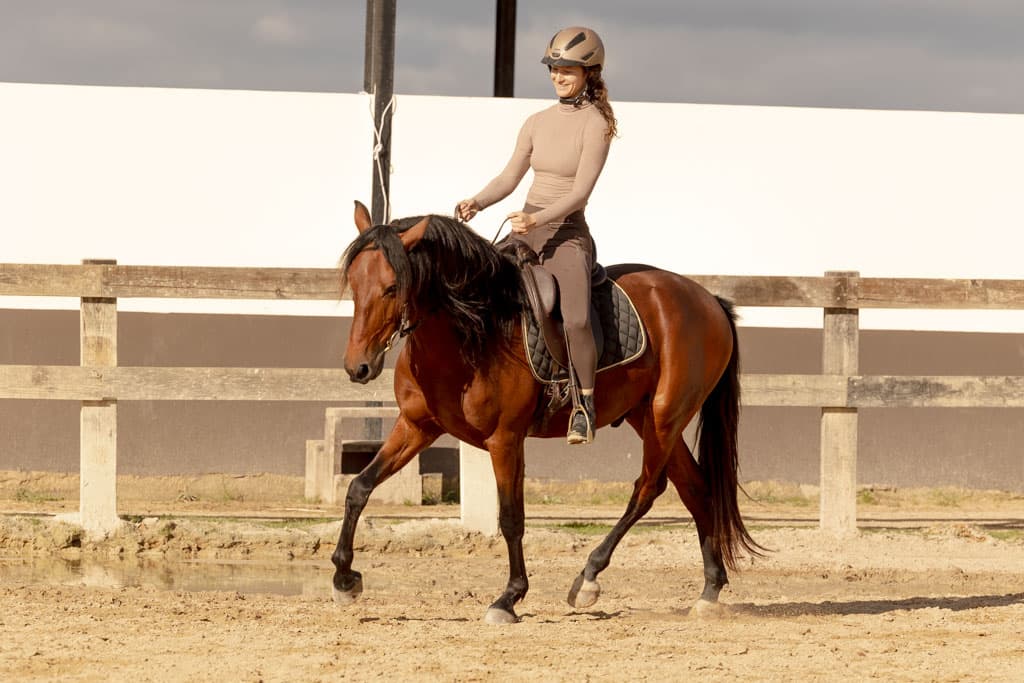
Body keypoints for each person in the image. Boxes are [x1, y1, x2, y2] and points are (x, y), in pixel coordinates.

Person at [456, 26, 617, 445]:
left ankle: (584, 405)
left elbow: (580, 193)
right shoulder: (536, 122)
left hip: (566, 234)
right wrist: (478, 201)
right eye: (554, 69)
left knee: (578, 318)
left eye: (567, 70)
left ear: (589, 72)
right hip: (525, 229)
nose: (559, 77)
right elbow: (510, 177)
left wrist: (539, 218)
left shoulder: (596, 125)